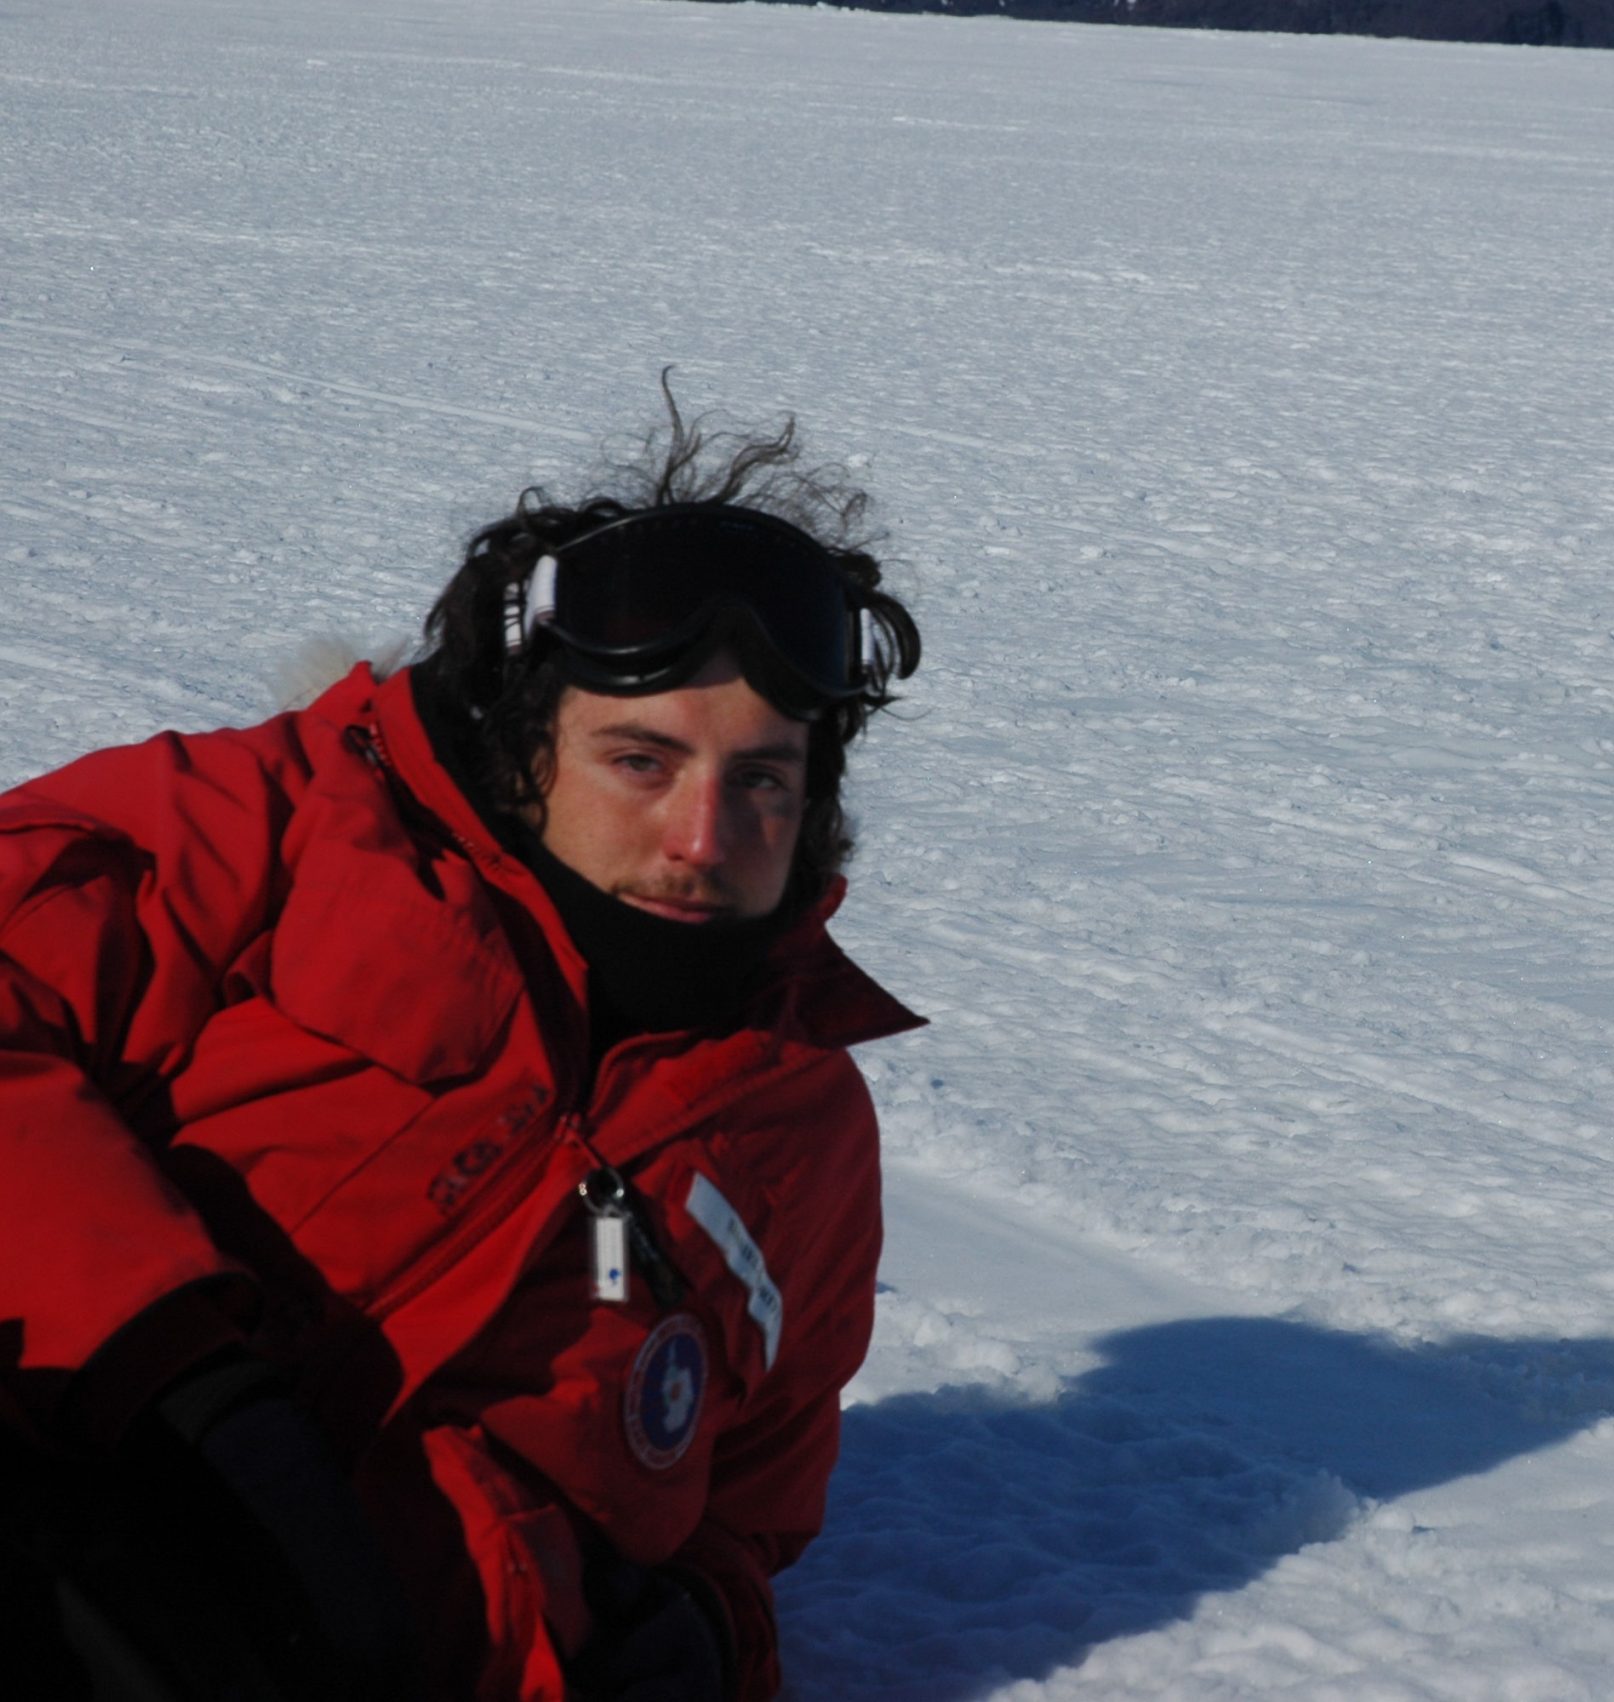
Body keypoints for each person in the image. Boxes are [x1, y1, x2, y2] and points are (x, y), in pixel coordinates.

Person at [0, 393, 924, 1701]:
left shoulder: (802, 1138)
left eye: (762, 779)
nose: (704, 839)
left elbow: (749, 1512)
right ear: (532, 742)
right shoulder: (288, 821)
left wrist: (710, 1628)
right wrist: (186, 1389)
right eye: (641, 760)